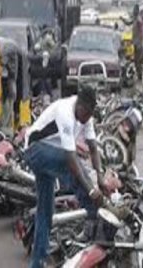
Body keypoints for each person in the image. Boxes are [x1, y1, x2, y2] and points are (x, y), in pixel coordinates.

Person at [24, 84, 127, 268]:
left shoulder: (85, 115)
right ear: (80, 105)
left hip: (49, 154)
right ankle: (95, 213)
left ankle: (37, 263)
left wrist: (101, 177)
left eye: (89, 116)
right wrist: (93, 192)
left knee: (45, 212)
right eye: (85, 114)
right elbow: (70, 158)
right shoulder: (65, 112)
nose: (86, 119)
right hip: (35, 151)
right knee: (71, 164)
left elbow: (93, 147)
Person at [120, 4, 143, 80]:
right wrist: (122, 19)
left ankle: (140, 77)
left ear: (136, 11)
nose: (133, 12)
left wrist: (140, 42)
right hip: (135, 43)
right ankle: (138, 76)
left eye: (135, 10)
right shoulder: (135, 19)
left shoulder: (139, 20)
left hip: (139, 44)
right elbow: (128, 22)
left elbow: (141, 32)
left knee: (138, 62)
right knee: (136, 61)